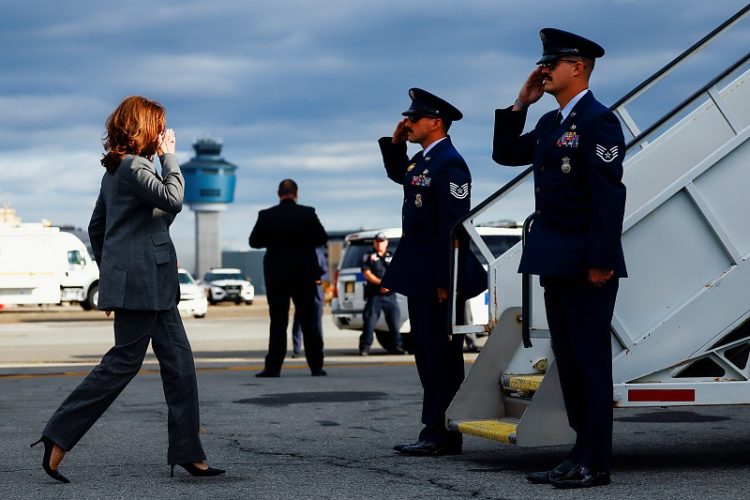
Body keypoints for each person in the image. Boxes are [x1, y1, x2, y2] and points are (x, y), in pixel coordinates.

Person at [32, 96, 224, 483]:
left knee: (180, 367)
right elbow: (173, 199)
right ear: (144, 129)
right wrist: (170, 157)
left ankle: (189, 452)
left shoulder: (116, 171)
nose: (165, 133)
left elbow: (98, 228)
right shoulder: (135, 166)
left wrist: (112, 278)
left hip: (149, 284)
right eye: (160, 126)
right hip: (144, 284)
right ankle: (58, 434)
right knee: (122, 364)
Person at [492, 28, 627, 489]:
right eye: (542, 62)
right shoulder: (551, 124)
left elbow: (608, 195)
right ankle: (579, 450)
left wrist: (601, 259)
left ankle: (597, 461)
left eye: (554, 62)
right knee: (567, 362)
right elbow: (505, 152)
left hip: (587, 263)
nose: (544, 68)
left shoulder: (598, 121)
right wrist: (521, 103)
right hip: (554, 259)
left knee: (591, 362)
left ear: (580, 68)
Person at [379, 88, 486, 456]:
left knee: (442, 356)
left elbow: (452, 228)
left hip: (440, 278)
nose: (407, 122)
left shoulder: (449, 163)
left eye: (414, 118)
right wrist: (396, 145)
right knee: (426, 354)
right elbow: (402, 177)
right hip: (422, 275)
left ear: (436, 122)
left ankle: (443, 432)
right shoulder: (422, 161)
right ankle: (434, 429)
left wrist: (446, 281)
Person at [249, 179, 328, 377]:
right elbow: (322, 238)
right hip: (304, 276)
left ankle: (273, 367)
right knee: (309, 322)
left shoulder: (266, 215)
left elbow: (254, 242)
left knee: (278, 322)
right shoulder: (308, 213)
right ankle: (316, 367)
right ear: (296, 193)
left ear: (279, 193)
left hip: (277, 277)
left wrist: (275, 241)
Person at [358, 232, 403, 356]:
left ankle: (397, 346)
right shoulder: (369, 256)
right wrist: (382, 284)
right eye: (377, 241)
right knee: (369, 323)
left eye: (382, 241)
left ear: (386, 243)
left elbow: (397, 272)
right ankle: (365, 347)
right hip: (375, 295)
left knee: (394, 323)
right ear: (374, 242)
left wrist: (389, 285)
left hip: (390, 296)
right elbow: (367, 273)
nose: (379, 243)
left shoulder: (391, 256)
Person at [291, 248, 328, 358]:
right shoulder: (296, 253)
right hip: (301, 292)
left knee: (317, 323)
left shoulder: (318, 253)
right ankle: (297, 349)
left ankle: (319, 348)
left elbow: (326, 272)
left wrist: (320, 279)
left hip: (316, 293)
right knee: (299, 321)